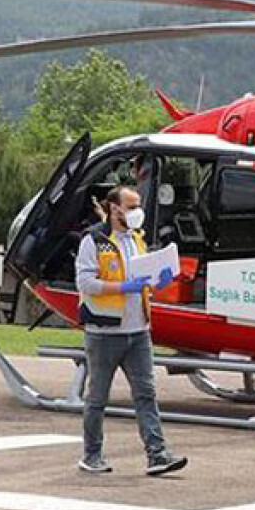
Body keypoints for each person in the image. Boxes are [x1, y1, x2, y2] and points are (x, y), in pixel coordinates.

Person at [75, 185, 186, 476]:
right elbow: (86, 283)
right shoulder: (94, 241)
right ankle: (92, 454)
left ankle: (157, 454)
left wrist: (158, 281)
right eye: (132, 206)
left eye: (138, 206)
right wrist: (123, 287)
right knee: (97, 398)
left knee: (146, 394)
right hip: (104, 332)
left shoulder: (137, 239)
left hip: (138, 332)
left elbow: (142, 277)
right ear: (114, 208)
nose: (138, 212)